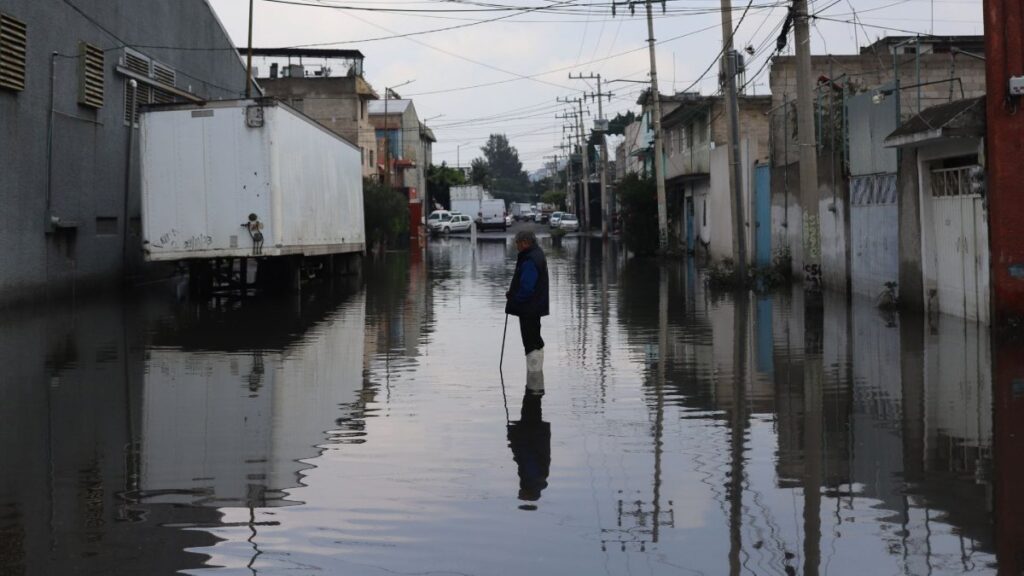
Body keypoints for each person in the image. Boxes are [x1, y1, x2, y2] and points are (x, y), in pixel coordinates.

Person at [505, 230, 549, 372]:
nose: (516, 246)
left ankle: (534, 381)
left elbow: (527, 288)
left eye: (517, 243)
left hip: (529, 308)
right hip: (534, 307)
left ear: (525, 242)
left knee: (531, 342)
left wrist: (514, 299)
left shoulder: (530, 259)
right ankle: (536, 384)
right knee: (535, 340)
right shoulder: (536, 254)